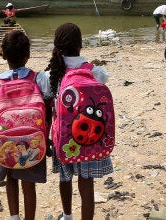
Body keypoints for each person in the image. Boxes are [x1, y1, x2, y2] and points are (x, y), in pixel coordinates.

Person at [44, 23, 113, 220]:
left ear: (56, 45)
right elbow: (103, 81)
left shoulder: (52, 74)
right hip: (90, 139)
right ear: (80, 45)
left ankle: (67, 216)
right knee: (86, 181)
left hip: (63, 139)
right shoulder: (95, 72)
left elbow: (48, 103)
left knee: (64, 179)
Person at [0, 30, 51, 220]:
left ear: (3, 55)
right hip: (33, 142)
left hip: (5, 143)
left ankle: (14, 217)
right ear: (28, 55)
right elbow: (48, 109)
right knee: (28, 184)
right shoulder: (38, 78)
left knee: (10, 179)